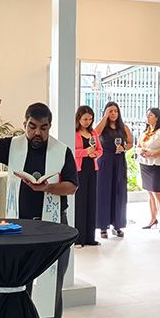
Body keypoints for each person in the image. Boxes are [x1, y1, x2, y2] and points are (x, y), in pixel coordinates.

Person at [0, 86, 79, 318]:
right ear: (25, 124)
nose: (37, 133)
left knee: (52, 277)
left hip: (52, 225)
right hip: (18, 224)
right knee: (19, 278)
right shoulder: (13, 146)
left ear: (50, 127)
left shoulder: (62, 151)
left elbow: (72, 186)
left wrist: (49, 188)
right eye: (32, 127)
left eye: (43, 128)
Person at [95, 101, 132, 239]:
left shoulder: (124, 127)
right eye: (110, 111)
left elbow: (130, 143)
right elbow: (95, 133)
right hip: (104, 160)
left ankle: (118, 225)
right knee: (103, 193)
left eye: (115, 111)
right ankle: (103, 226)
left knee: (119, 192)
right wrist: (105, 117)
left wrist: (124, 148)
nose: (113, 113)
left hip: (119, 160)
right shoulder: (102, 128)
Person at [137, 107, 160, 234]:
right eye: (147, 115)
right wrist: (140, 151)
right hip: (145, 164)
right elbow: (138, 146)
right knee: (149, 192)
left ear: (157, 117)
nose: (147, 117)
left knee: (157, 192)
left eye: (150, 115)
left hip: (157, 164)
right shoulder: (145, 132)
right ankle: (152, 219)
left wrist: (152, 154)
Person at [73, 106, 103, 247]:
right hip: (79, 170)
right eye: (85, 119)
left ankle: (90, 238)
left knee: (92, 201)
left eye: (90, 119)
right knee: (80, 202)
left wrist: (95, 154)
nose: (88, 122)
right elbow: (71, 151)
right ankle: (78, 239)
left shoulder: (93, 132)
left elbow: (100, 150)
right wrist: (85, 152)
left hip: (92, 168)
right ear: (78, 118)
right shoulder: (74, 133)